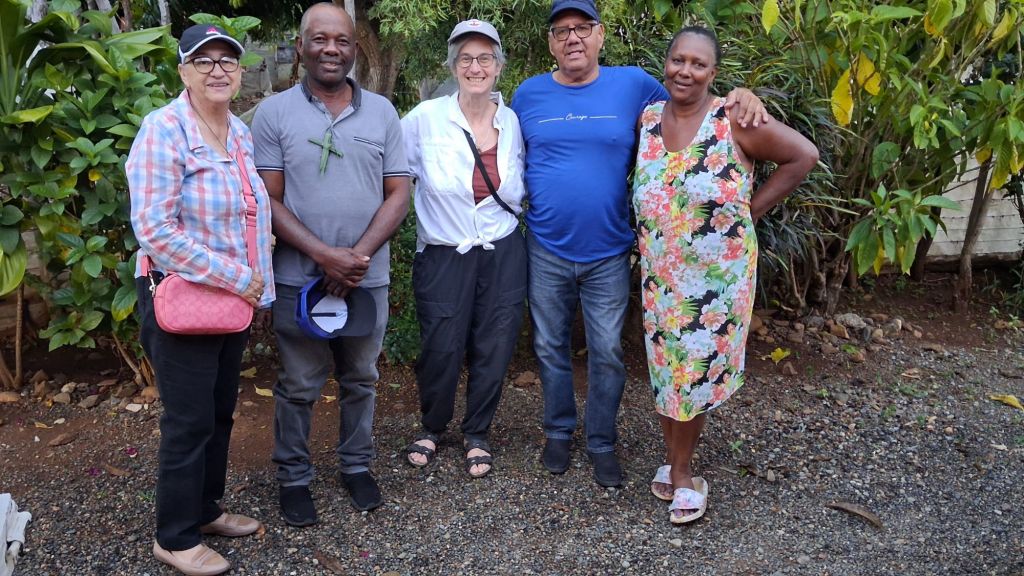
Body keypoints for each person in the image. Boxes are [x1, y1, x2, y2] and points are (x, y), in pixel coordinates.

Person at [510, 0, 769, 487]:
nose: (573, 37)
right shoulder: (527, 94)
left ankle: (601, 442)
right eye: (562, 30)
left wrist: (742, 96)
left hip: (609, 249)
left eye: (583, 27)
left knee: (607, 350)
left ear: (600, 35)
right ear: (550, 42)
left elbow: (691, 100)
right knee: (548, 345)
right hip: (544, 246)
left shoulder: (633, 85)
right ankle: (558, 432)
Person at [635, 26, 818, 523]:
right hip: (660, 278)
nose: (685, 71)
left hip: (716, 281)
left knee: (691, 373)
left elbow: (803, 156)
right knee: (667, 371)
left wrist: (749, 212)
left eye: (698, 64)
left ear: (713, 73)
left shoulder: (733, 119)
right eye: (678, 60)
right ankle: (674, 461)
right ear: (666, 63)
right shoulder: (648, 120)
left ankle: (683, 474)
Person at [251, 2, 410, 526]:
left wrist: (356, 258)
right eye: (319, 39)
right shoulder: (274, 114)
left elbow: (398, 192)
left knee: (361, 377)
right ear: (301, 47)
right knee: (299, 384)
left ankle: (356, 466)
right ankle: (294, 477)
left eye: (341, 40)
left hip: (366, 278)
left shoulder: (382, 113)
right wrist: (324, 256)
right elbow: (268, 198)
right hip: (300, 278)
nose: (331, 49)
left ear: (354, 48)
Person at [127, 24, 275, 576]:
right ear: (183, 71)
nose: (218, 70)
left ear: (239, 71)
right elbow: (155, 230)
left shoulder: (239, 132)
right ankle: (174, 536)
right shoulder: (162, 129)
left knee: (218, 412)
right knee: (189, 421)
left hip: (231, 303)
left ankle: (206, 510)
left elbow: (249, 217)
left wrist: (257, 288)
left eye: (227, 60)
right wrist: (237, 277)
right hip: (183, 298)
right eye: (203, 60)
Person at [401, 20, 527, 479]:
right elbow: (392, 179)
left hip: (502, 250)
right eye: (466, 59)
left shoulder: (512, 122)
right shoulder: (424, 119)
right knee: (441, 343)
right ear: (453, 66)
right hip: (443, 252)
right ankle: (432, 427)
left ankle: (478, 433)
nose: (476, 67)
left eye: (485, 58)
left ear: (498, 66)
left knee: (495, 342)